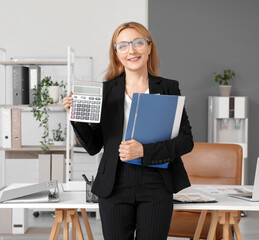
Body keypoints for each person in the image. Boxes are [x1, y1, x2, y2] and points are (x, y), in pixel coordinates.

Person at [63, 21, 193, 240]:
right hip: (115, 184)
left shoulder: (169, 88)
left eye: (138, 43)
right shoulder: (105, 91)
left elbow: (186, 141)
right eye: (123, 46)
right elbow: (94, 146)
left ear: (149, 47)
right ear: (116, 54)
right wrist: (75, 116)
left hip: (157, 183)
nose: (131, 50)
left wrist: (144, 151)